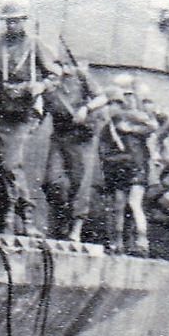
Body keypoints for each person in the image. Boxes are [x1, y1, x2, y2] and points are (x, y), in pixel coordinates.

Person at [0, 0, 62, 236]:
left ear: (25, 20)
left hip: (22, 114)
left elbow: (55, 74)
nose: (11, 25)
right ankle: (6, 215)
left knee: (10, 165)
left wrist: (41, 86)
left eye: (16, 20)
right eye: (8, 21)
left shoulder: (35, 44)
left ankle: (25, 216)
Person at [43, 48, 107, 242]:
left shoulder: (81, 76)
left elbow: (102, 97)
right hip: (60, 136)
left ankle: (76, 229)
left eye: (63, 65)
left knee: (80, 184)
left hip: (80, 137)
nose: (61, 69)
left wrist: (86, 109)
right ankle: (62, 221)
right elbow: (44, 108)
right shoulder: (49, 85)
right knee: (52, 181)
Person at [94, 76, 158, 254]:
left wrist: (131, 130)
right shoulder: (114, 124)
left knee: (130, 204)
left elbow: (154, 125)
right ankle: (122, 243)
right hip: (125, 168)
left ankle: (138, 242)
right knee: (122, 205)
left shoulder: (130, 117)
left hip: (132, 167)